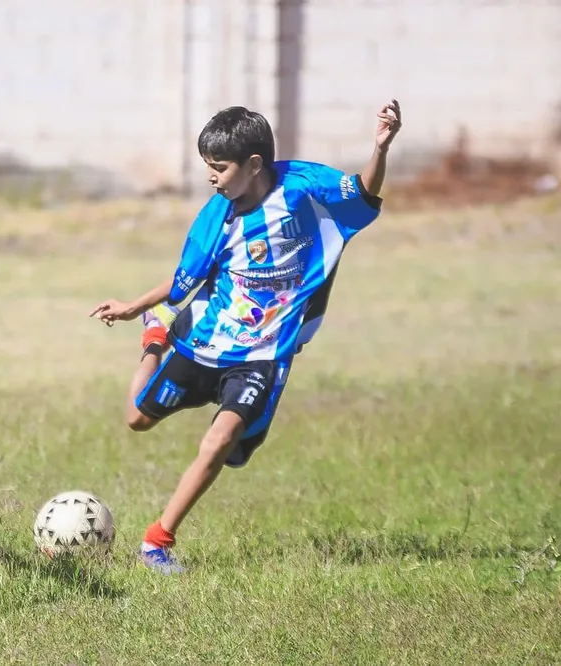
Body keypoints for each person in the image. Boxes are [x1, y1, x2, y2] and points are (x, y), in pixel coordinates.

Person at [89, 100, 403, 574]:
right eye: (207, 168)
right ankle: (156, 338)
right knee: (136, 418)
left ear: (254, 165)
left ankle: (157, 542)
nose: (211, 178)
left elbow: (362, 194)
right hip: (207, 341)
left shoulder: (303, 187)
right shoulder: (216, 218)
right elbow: (181, 284)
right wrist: (137, 309)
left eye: (219, 168)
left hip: (263, 353)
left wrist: (380, 149)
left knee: (220, 440)